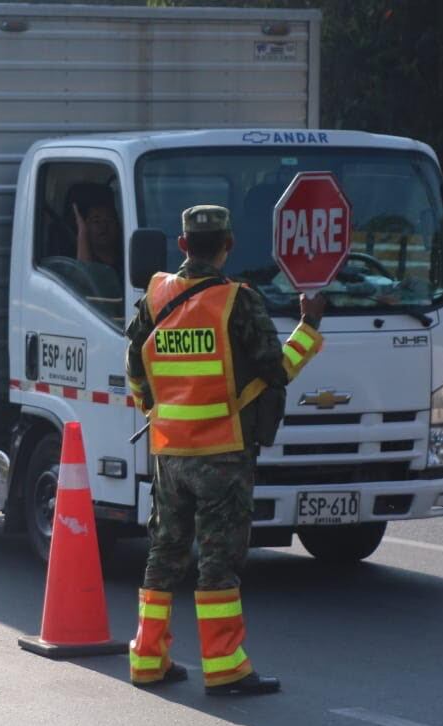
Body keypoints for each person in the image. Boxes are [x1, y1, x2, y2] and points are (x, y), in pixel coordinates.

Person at [124, 205, 326, 696]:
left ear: (182, 245)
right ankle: (225, 666)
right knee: (217, 561)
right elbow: (276, 370)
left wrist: (159, 409)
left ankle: (148, 659)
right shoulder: (238, 301)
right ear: (229, 245)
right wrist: (310, 329)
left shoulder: (155, 296)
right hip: (222, 452)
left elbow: (134, 371)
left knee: (165, 553)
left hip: (169, 452)